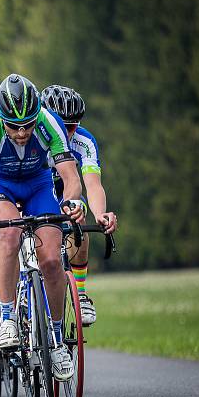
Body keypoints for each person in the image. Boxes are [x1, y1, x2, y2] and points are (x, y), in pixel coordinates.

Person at [0, 73, 84, 381]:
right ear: (1, 118)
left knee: (53, 260)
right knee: (9, 233)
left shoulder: (49, 122)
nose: (21, 132)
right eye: (14, 126)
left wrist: (71, 202)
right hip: (0, 185)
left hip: (38, 185)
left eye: (28, 125)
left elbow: (71, 178)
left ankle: (56, 340)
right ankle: (7, 317)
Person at [41, 85, 118, 325]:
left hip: (67, 191)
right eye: (59, 125)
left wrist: (101, 214)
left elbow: (93, 184)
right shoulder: (34, 139)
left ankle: (81, 294)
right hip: (38, 191)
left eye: (71, 126)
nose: (65, 132)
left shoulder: (84, 142)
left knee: (79, 217)